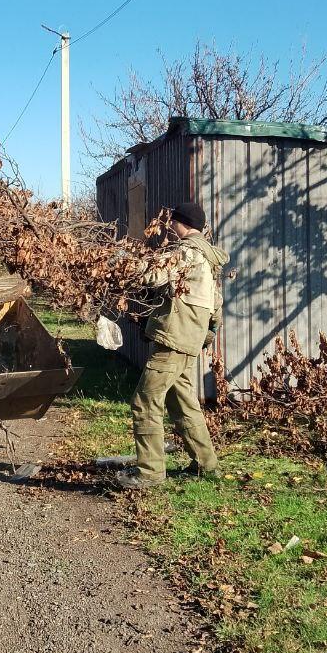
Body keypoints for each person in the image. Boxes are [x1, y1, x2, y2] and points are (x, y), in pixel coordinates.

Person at [116, 201, 229, 491]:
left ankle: (150, 472)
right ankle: (206, 463)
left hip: (174, 337)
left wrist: (123, 261)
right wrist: (204, 336)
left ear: (182, 223)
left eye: (173, 222)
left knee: (144, 401)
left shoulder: (186, 253)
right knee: (183, 402)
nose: (169, 227)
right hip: (188, 339)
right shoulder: (208, 258)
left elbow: (154, 275)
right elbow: (216, 308)